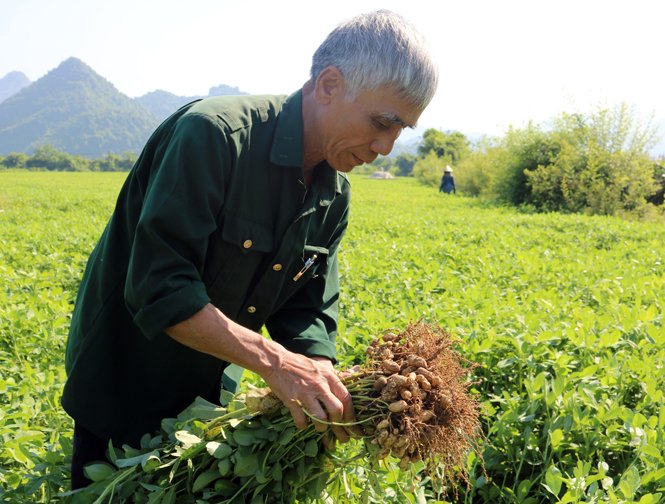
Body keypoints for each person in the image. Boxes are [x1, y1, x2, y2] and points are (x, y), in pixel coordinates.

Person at [62, 9, 438, 489]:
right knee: (110, 494)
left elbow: (309, 306)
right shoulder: (213, 136)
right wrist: (277, 363)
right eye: (381, 122)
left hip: (212, 399)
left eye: (400, 130)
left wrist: (317, 371)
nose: (386, 146)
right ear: (328, 85)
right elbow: (161, 288)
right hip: (127, 381)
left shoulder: (333, 195)